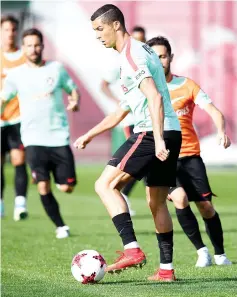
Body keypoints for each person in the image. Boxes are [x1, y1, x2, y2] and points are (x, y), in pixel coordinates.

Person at [74, 4, 181, 281]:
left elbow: (155, 97)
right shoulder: (141, 50)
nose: (98, 36)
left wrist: (156, 139)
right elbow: (124, 109)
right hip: (172, 131)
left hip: (150, 132)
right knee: (156, 202)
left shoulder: (132, 58)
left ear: (116, 25)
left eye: (100, 29)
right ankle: (166, 271)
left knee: (104, 184)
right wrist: (90, 134)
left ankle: (132, 249)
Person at [146, 36, 232, 267]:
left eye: (163, 56)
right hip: (164, 158)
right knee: (180, 199)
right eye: (154, 57)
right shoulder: (146, 88)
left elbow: (214, 111)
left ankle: (221, 254)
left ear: (171, 58)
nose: (159, 61)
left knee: (205, 206)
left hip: (190, 156)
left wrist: (221, 130)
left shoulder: (187, 85)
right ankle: (201, 251)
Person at [0, 28, 79, 239]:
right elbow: (4, 98)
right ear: (23, 48)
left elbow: (72, 89)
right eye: (29, 45)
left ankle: (58, 179)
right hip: (33, 138)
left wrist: (75, 100)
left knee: (66, 187)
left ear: (42, 46)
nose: (33, 49)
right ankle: (61, 226)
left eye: (37, 45)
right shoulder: (15, 75)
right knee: (43, 186)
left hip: (59, 137)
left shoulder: (57, 69)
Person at [100, 26, 147, 215]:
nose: (139, 43)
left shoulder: (147, 59)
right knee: (139, 161)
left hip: (147, 117)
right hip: (131, 119)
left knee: (144, 162)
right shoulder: (120, 63)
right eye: (136, 39)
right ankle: (120, 192)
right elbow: (103, 85)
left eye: (142, 39)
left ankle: (123, 192)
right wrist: (118, 102)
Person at [0, 15, 28, 220]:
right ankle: (0, 203)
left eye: (13, 30)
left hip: (19, 118)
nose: (10, 34)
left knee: (19, 161)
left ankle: (20, 204)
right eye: (6, 30)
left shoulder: (24, 56)